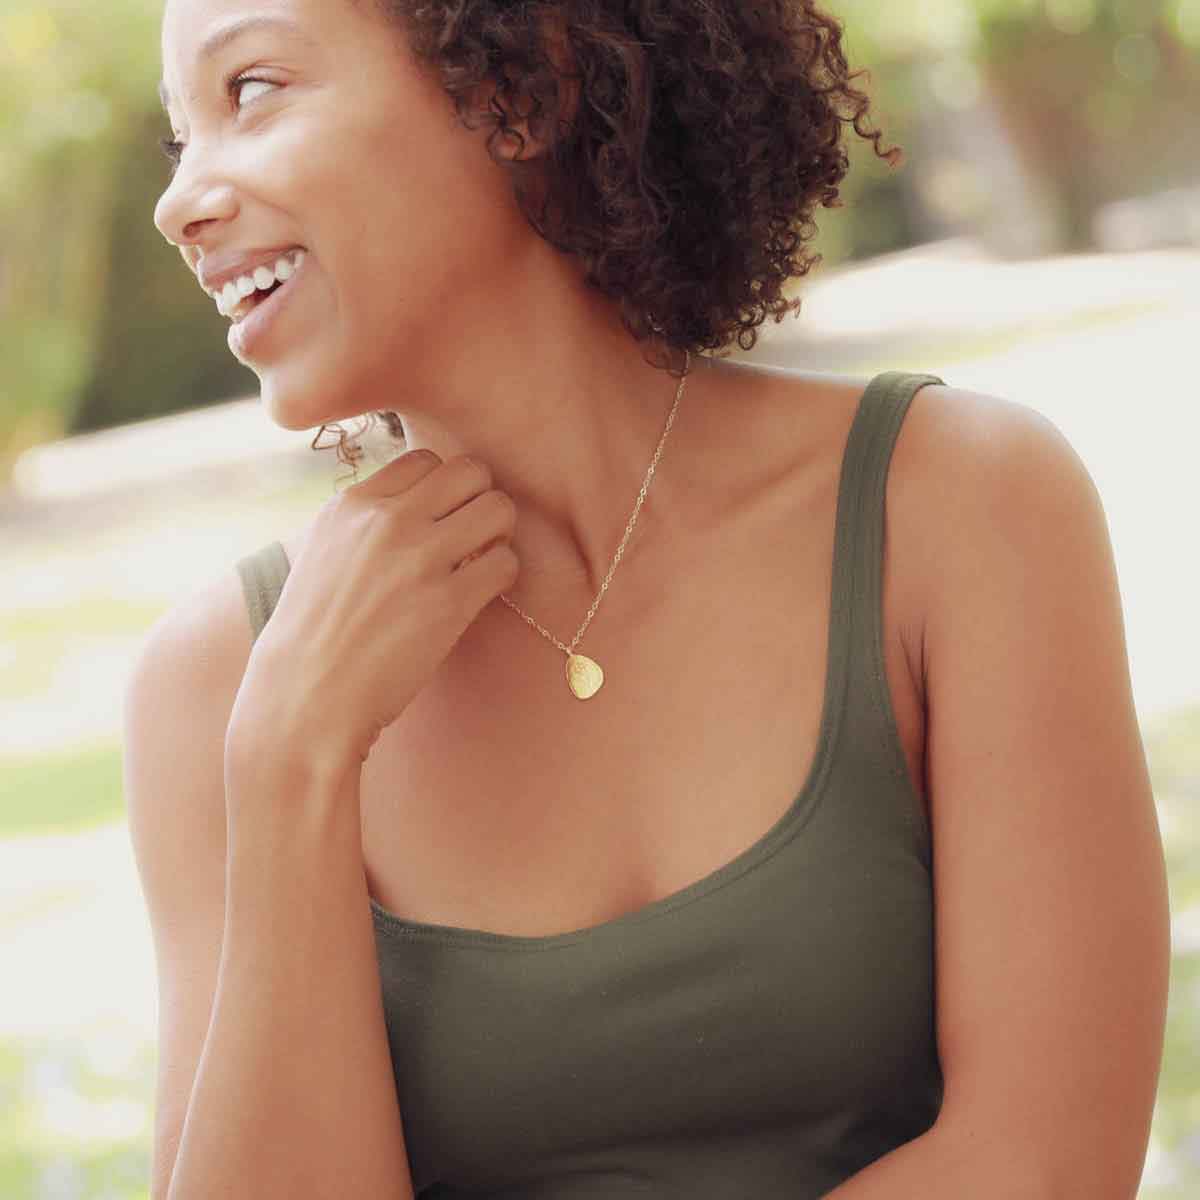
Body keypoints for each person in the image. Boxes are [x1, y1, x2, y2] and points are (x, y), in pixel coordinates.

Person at [125, 1, 1170, 1197]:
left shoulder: (956, 507)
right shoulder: (221, 689)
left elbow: (1046, 1163)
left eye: (250, 92)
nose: (180, 202)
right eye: (177, 139)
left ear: (515, 88)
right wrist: (291, 764)